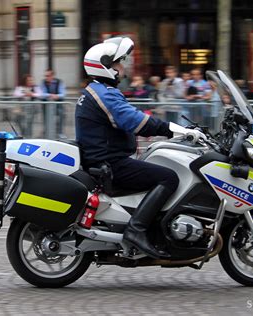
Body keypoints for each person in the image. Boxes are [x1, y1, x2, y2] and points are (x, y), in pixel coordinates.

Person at [76, 37, 204, 258]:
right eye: (118, 63)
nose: (123, 67)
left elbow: (130, 118)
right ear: (106, 67)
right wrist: (176, 130)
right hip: (110, 164)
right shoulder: (104, 94)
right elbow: (134, 121)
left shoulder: (98, 91)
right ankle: (136, 230)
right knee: (169, 177)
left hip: (105, 160)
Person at [40, 69, 66, 138]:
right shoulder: (43, 82)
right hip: (46, 104)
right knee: (46, 119)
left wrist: (56, 96)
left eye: (48, 76)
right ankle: (46, 132)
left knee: (60, 118)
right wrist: (51, 95)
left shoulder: (59, 82)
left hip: (58, 104)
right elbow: (42, 93)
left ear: (52, 76)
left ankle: (60, 133)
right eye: (45, 76)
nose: (46, 77)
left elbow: (63, 94)